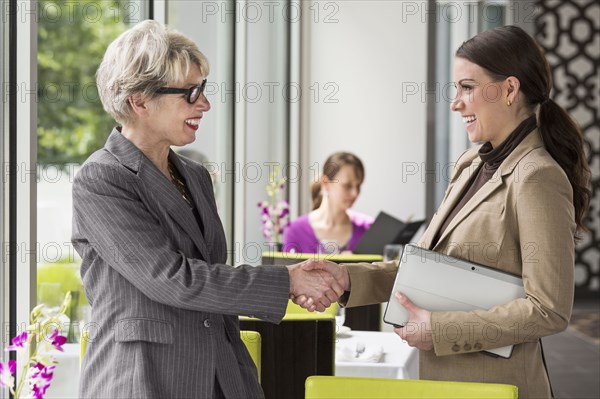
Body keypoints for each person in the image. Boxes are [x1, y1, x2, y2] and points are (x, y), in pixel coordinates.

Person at [297, 25, 591, 398]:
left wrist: (440, 330)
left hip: (497, 388)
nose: (455, 103)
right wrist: (347, 280)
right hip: (446, 382)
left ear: (509, 90)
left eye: (467, 88)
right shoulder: (470, 164)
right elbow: (425, 269)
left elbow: (548, 309)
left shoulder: (537, 177)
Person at [71, 20, 339, 399]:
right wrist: (288, 282)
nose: (205, 104)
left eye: (204, 89)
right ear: (139, 100)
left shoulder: (195, 176)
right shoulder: (102, 179)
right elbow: (171, 278)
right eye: (190, 93)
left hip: (223, 376)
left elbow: (210, 273)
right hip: (144, 380)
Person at [283, 152, 373, 254]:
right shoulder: (296, 231)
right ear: (325, 183)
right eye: (347, 185)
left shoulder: (368, 228)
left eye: (358, 186)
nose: (355, 193)